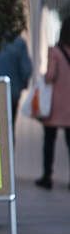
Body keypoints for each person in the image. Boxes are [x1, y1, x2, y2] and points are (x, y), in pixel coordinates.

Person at [36, 16, 70, 190]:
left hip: (55, 107)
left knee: (49, 142)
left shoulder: (55, 52)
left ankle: (47, 176)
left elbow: (50, 76)